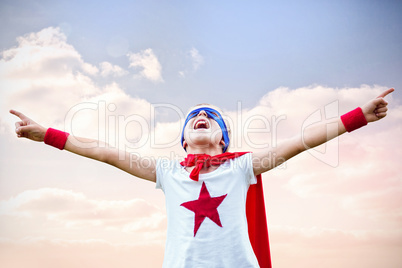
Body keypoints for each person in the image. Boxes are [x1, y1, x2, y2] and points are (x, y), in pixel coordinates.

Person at [9, 88, 394, 268]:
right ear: (184, 141)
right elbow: (104, 151)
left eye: (210, 115)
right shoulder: (168, 171)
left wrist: (357, 116)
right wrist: (48, 136)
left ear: (223, 137)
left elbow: (302, 140)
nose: (201, 116)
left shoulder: (242, 167)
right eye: (194, 116)